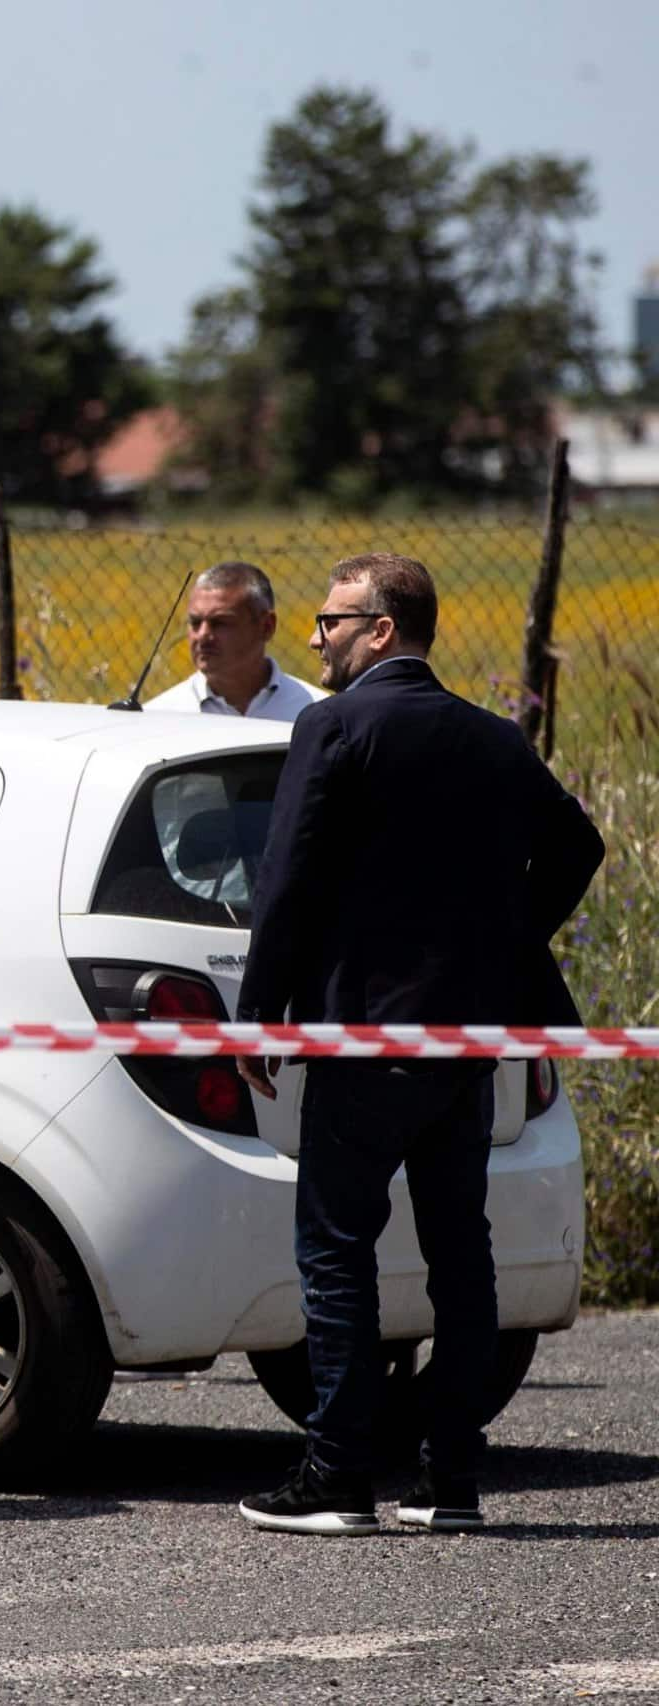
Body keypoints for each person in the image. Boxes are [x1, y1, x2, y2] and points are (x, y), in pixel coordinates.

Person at [234, 553, 604, 1537]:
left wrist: (257, 1010)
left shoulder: (335, 726)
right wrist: (508, 942)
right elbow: (579, 845)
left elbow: (286, 879)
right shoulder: (491, 737)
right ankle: (450, 1478)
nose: (317, 640)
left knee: (336, 1246)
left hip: (363, 1035)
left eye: (329, 621)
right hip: (468, 1038)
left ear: (381, 627)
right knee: (459, 1255)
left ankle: (337, 1474)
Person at [147, 561, 325, 721]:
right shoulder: (160, 718)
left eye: (220, 623)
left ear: (266, 627)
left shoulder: (316, 713)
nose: (202, 635)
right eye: (195, 623)